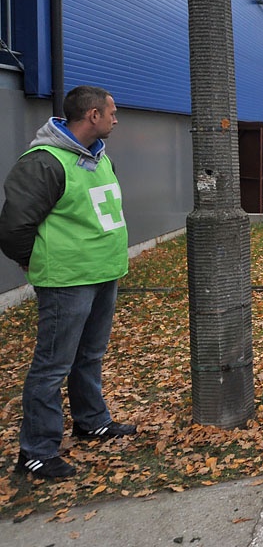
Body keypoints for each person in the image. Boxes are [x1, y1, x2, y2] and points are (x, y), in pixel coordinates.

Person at [0, 86, 136, 480]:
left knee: (88, 356)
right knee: (52, 365)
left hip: (102, 273)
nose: (116, 118)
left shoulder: (99, 157)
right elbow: (13, 228)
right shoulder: (45, 162)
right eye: (111, 112)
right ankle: (36, 450)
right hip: (67, 281)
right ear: (92, 116)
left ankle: (91, 420)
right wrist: (36, 261)